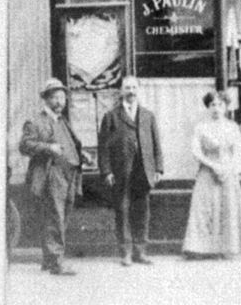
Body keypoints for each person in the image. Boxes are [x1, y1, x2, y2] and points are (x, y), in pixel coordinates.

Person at [19, 77, 91, 276]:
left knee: (61, 216)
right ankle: (57, 262)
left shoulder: (62, 121)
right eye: (55, 97)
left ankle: (49, 259)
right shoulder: (36, 121)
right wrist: (48, 147)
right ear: (46, 99)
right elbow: (24, 146)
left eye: (63, 97)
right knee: (55, 217)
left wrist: (81, 154)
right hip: (52, 174)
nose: (60, 101)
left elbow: (70, 145)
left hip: (70, 175)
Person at [98, 76, 164, 266]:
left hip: (143, 170)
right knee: (123, 210)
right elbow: (103, 147)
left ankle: (140, 251)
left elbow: (156, 143)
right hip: (121, 171)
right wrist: (107, 171)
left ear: (138, 90)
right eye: (127, 87)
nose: (131, 91)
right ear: (121, 91)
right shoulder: (111, 116)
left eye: (134, 87)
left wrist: (158, 167)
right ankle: (125, 252)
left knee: (142, 211)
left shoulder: (148, 116)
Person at [183, 91, 241, 259]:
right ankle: (203, 249)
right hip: (207, 172)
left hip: (228, 172)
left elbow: (239, 150)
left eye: (220, 105)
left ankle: (228, 248)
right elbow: (196, 150)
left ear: (226, 107)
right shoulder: (201, 127)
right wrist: (212, 165)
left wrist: (229, 167)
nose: (216, 108)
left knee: (227, 208)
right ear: (208, 107)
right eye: (213, 105)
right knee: (205, 209)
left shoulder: (232, 127)